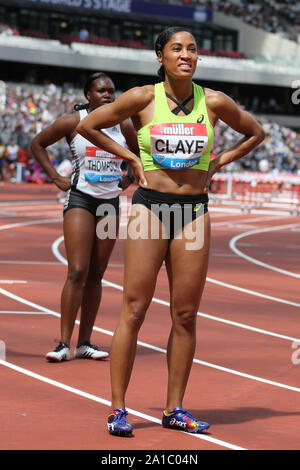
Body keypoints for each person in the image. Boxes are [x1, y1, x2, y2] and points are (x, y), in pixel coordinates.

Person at [77, 27, 265, 436]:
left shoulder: (213, 101)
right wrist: (130, 157)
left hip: (194, 213)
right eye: (177, 49)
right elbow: (88, 126)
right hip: (151, 210)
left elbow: (255, 133)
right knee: (135, 308)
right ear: (160, 55)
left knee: (184, 314)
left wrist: (221, 160)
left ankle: (173, 408)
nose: (186, 55)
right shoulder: (142, 98)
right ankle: (118, 409)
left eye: (193, 49)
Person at [31, 72, 137, 363]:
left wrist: (129, 178)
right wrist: (54, 176)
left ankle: (85, 343)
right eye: (101, 90)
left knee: (97, 274)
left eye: (111, 91)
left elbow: (139, 155)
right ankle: (63, 343)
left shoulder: (123, 123)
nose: (107, 95)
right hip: (80, 198)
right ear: (88, 94)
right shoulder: (72, 122)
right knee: (77, 270)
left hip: (109, 204)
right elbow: (37, 144)